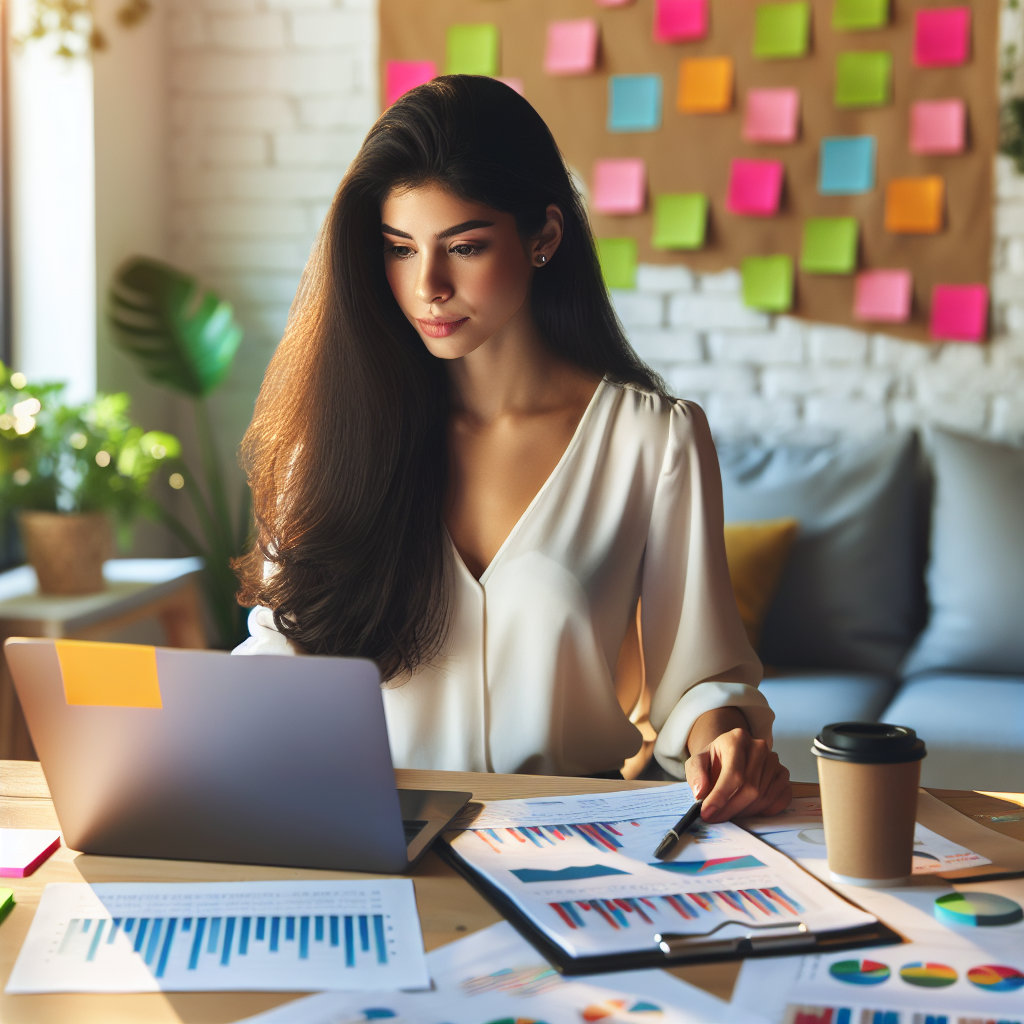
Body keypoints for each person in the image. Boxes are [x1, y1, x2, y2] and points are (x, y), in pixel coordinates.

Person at [233, 75, 791, 823]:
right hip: (373, 838)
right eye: (400, 249)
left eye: (463, 246)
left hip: (577, 840)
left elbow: (699, 677)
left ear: (544, 238)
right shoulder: (331, 446)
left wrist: (722, 743)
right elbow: (280, 657)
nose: (427, 285)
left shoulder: (652, 440)